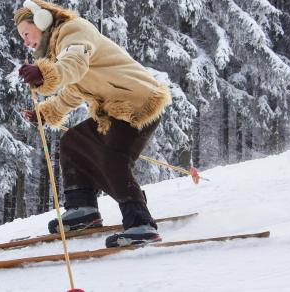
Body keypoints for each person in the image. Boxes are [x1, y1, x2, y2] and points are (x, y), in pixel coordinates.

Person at [14, 0, 172, 248]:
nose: (26, 41)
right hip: (115, 109)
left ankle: (141, 224)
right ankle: (83, 208)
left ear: (42, 21)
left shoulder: (74, 31)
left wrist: (45, 74)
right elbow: (75, 91)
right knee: (74, 142)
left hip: (137, 103)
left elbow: (74, 67)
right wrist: (47, 112)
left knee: (111, 158)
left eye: (26, 33)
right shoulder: (60, 46)